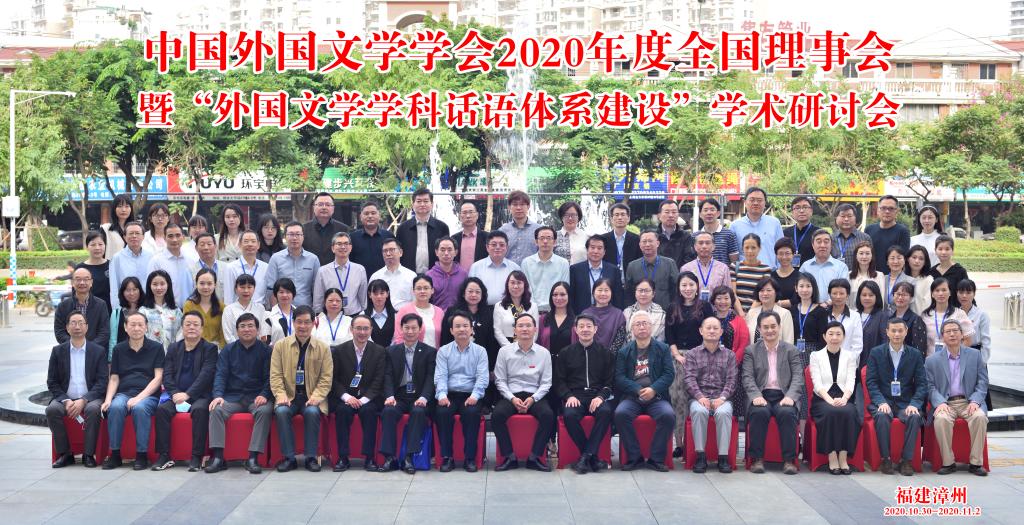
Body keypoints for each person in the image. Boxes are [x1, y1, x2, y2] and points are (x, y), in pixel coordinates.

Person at [204, 313, 274, 474]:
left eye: (250, 326)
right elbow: (220, 375)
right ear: (237, 331)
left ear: (257, 330)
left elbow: (270, 377)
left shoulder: (266, 351)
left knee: (265, 410)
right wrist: (218, 396)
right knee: (216, 409)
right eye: (242, 326)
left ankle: (253, 458)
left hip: (256, 397)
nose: (246, 329)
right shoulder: (228, 350)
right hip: (232, 397)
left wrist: (264, 394)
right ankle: (218, 458)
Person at [269, 305, 333, 472]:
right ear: (293, 322)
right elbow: (275, 375)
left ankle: (311, 457)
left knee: (312, 412)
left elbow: (326, 378)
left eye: (306, 322)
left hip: (311, 396)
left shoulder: (323, 348)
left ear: (313, 324)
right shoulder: (280, 346)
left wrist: (317, 397)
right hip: (288, 396)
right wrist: (280, 395)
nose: (303, 326)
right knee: (281, 412)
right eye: (299, 322)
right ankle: (289, 458)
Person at [151, 311, 217, 471]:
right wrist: (174, 393)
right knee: (161, 410)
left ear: (202, 329)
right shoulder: (174, 348)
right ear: (182, 327)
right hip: (176, 395)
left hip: (199, 396)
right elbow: (167, 374)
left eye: (196, 324)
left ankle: (196, 456)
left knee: (200, 410)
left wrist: (188, 395)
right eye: (188, 324)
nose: (192, 327)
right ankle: (164, 456)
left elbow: (206, 375)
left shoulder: (210, 349)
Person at [925, 319, 989, 476]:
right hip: (946, 403)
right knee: (941, 419)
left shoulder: (975, 355)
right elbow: (929, 386)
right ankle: (948, 463)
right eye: (948, 332)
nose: (952, 334)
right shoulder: (932, 360)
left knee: (979, 417)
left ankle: (975, 463)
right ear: (942, 337)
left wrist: (975, 401)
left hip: (969, 401)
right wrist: (939, 403)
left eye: (955, 331)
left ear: (962, 334)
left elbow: (983, 382)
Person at [101, 312, 164, 470]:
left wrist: (139, 397)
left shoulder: (156, 348)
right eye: (132, 325)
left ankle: (141, 455)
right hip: (124, 393)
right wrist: (108, 399)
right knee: (115, 407)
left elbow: (158, 378)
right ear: (125, 327)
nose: (136, 328)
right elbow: (114, 378)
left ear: (146, 327)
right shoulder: (119, 349)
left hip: (148, 395)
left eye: (140, 325)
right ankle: (115, 455)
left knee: (140, 408)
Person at [743, 311, 803, 475]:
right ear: (759, 329)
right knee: (759, 413)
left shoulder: (791, 350)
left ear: (779, 327)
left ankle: (789, 461)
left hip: (784, 395)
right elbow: (747, 377)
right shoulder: (751, 351)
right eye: (765, 327)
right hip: (761, 394)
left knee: (787, 414)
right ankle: (757, 459)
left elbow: (798, 377)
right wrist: (756, 396)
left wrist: (790, 396)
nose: (770, 330)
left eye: (773, 326)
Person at [614, 311, 676, 472]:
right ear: (632, 329)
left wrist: (653, 389)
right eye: (638, 324)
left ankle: (656, 459)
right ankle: (635, 457)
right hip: (632, 397)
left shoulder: (663, 348)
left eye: (645, 323)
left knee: (668, 415)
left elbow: (669, 374)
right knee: (621, 414)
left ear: (651, 326)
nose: (642, 327)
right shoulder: (624, 352)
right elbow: (619, 378)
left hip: (657, 397)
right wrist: (637, 390)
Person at [493, 313, 555, 472]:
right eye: (520, 326)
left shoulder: (544, 353)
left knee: (548, 415)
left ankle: (534, 457)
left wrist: (533, 398)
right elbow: (500, 380)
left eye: (528, 325)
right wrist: (512, 399)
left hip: (534, 395)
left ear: (535, 329)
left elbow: (546, 382)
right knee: (497, 415)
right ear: (515, 330)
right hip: (511, 395)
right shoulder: (504, 352)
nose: (525, 329)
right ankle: (509, 457)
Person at [46, 311, 108, 468]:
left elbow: (102, 382)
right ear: (67, 328)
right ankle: (65, 454)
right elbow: (52, 382)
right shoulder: (58, 351)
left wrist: (84, 400)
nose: (77, 326)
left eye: (81, 323)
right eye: (73, 323)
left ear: (87, 327)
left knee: (93, 409)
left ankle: (88, 454)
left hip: (90, 398)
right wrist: (66, 400)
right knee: (52, 410)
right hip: (65, 398)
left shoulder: (98, 351)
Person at [865, 317, 926, 476]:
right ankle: (886, 459)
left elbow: (922, 384)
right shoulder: (876, 352)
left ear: (906, 332)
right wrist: (880, 402)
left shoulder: (915, 354)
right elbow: (871, 382)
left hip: (906, 403)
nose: (897, 334)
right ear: (887, 332)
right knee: (882, 416)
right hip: (884, 401)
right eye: (893, 331)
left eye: (900, 331)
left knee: (914, 417)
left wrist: (914, 404)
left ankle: (906, 461)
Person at [556, 313, 615, 474]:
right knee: (569, 414)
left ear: (595, 329)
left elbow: (610, 382)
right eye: (581, 326)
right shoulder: (566, 352)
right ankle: (592, 458)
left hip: (597, 395)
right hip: (575, 395)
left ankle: (584, 458)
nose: (585, 329)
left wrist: (601, 397)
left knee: (605, 412)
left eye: (589, 326)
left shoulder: (606, 353)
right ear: (575, 330)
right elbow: (559, 381)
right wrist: (568, 396)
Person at [380, 313, 436, 474]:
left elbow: (430, 378)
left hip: (419, 396)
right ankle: (389, 458)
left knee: (418, 412)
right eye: (407, 328)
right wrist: (389, 396)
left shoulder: (429, 352)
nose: (410, 331)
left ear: (420, 329)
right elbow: (387, 376)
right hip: (398, 396)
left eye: (413, 328)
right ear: (401, 329)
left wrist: (424, 397)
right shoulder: (391, 351)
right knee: (388, 411)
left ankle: (409, 457)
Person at [434, 311, 490, 472]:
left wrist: (475, 395)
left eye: (465, 326)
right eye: (457, 326)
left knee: (471, 414)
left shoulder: (480, 351)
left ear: (472, 329)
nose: (462, 329)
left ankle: (470, 458)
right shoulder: (443, 351)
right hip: (449, 394)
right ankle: (447, 457)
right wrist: (442, 395)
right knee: (442, 413)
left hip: (471, 394)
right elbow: (441, 376)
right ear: (451, 330)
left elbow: (482, 377)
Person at [330, 314, 387, 472]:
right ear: (351, 329)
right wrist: (347, 397)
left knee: (369, 412)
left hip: (369, 398)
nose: (362, 332)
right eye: (358, 328)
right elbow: (333, 379)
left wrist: (363, 400)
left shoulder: (379, 351)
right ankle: (343, 457)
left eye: (366, 329)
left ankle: (369, 458)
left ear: (371, 330)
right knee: (342, 411)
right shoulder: (339, 350)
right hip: (346, 397)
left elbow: (379, 380)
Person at [685, 316, 738, 474]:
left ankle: (723, 457)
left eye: (715, 328)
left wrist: (722, 398)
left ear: (721, 332)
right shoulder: (692, 354)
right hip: (699, 398)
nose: (712, 331)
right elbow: (689, 379)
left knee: (723, 413)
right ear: (701, 331)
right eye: (708, 328)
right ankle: (700, 456)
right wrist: (700, 397)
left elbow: (732, 380)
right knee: (698, 411)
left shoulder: (729, 355)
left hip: (722, 398)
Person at [439, 278, 498, 405]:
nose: (474, 295)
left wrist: (491, 367)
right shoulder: (452, 311)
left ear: (482, 294)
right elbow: (445, 338)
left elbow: (491, 341)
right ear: (463, 293)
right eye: (470, 291)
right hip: (456, 361)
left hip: (480, 360)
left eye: (477, 292)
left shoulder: (488, 313)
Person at [264, 221, 320, 308]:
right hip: (282, 308)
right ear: (285, 237)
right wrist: (275, 311)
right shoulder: (276, 258)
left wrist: (316, 311)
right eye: (291, 234)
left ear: (303, 237)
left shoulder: (313, 259)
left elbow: (317, 289)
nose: (294, 238)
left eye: (298, 234)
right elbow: (271, 288)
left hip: (305, 309)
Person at [312, 232, 368, 316]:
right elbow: (318, 301)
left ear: (350, 248)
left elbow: (363, 299)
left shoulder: (360, 270)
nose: (343, 247)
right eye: (339, 244)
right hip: (331, 317)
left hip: (354, 316)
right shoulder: (323, 271)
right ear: (333, 248)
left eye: (346, 243)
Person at [54, 267, 110, 350]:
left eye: (86, 279)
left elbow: (104, 332)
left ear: (91, 282)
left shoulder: (101, 305)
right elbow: (59, 332)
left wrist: (89, 347)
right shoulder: (62, 306)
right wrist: (75, 345)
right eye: (78, 279)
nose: (82, 282)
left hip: (94, 353)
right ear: (72, 282)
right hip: (70, 351)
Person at [397, 188, 450, 273]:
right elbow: (398, 253)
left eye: (426, 201)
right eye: (418, 201)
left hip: (435, 275)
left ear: (432, 204)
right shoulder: (403, 228)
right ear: (413, 204)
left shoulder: (442, 228)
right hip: (409, 275)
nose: (422, 204)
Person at [957, 279, 992, 410]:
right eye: (961, 292)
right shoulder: (954, 313)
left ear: (974, 294)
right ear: (956, 293)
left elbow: (986, 341)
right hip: (958, 353)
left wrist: (982, 362)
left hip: (976, 354)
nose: (964, 296)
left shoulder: (981, 315)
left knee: (979, 387)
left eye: (968, 292)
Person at [626, 230, 679, 312]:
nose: (647, 244)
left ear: (657, 243)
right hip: (640, 313)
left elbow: (676, 289)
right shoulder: (632, 266)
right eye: (644, 241)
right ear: (640, 245)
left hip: (665, 312)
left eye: (650, 241)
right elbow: (629, 293)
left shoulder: (669, 264)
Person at [730, 187, 783, 269]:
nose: (755, 203)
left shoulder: (774, 223)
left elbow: (781, 249)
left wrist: (780, 272)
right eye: (752, 200)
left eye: (759, 200)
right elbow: (733, 253)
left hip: (770, 272)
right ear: (745, 202)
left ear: (765, 203)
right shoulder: (735, 226)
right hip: (744, 272)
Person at [569, 235, 624, 313]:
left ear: (604, 252)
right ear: (587, 250)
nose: (595, 251)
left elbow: (618, 297)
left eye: (599, 248)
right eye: (592, 247)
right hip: (582, 314)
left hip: (607, 315)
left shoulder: (614, 270)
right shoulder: (575, 270)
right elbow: (571, 296)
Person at [921, 277, 975, 357]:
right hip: (931, 360)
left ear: (950, 293)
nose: (940, 293)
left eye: (944, 290)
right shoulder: (925, 315)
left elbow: (968, 340)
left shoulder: (959, 314)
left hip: (953, 360)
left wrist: (955, 356)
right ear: (932, 294)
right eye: (937, 290)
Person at [521, 226, 570, 313]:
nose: (545, 241)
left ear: (554, 242)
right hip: (531, 310)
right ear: (536, 242)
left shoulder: (563, 263)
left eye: (549, 238)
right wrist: (533, 309)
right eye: (542, 238)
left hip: (555, 310)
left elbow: (564, 289)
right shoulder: (526, 263)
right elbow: (526, 288)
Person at [147, 223, 198, 304]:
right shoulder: (156, 261)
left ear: (183, 237)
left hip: (189, 308)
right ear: (164, 238)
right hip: (166, 309)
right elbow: (150, 287)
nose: (174, 240)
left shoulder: (190, 260)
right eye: (170, 236)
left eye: (178, 235)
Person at [468, 230, 522, 306]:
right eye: (494, 245)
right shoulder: (476, 267)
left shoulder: (515, 268)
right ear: (487, 247)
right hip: (483, 309)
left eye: (501, 245)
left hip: (508, 309)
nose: (497, 247)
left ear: (507, 247)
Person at [392, 274, 445, 349]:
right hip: (411, 354)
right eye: (419, 288)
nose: (422, 291)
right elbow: (399, 338)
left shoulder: (440, 312)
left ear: (432, 290)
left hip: (436, 354)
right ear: (413, 291)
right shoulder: (404, 311)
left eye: (426, 288)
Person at [108, 222, 153, 309]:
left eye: (137, 233)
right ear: (124, 237)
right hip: (126, 306)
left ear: (143, 236)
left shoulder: (151, 257)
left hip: (147, 305)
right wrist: (116, 309)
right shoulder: (117, 258)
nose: (134, 236)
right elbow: (114, 286)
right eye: (131, 233)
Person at [222, 230, 271, 308]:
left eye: (253, 241)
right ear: (239, 245)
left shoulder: (266, 267)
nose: (250, 244)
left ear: (258, 245)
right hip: (238, 310)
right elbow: (228, 297)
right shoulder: (231, 268)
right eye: (246, 241)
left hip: (260, 310)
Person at [681, 231, 732, 305]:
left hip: (716, 310)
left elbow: (728, 293)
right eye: (700, 243)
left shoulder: (723, 268)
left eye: (707, 243)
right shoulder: (686, 268)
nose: (704, 246)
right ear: (695, 247)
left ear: (714, 246)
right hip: (693, 309)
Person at [802, 229, 850, 303]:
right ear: (813, 245)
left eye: (826, 242)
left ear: (831, 245)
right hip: (810, 308)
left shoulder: (841, 267)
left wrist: (827, 304)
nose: (822, 245)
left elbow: (843, 291)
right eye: (819, 242)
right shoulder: (805, 267)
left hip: (833, 307)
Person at [493, 271, 539, 347]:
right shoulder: (499, 306)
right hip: (506, 347)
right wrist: (510, 349)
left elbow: (535, 331)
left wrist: (526, 347)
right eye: (512, 283)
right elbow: (497, 331)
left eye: (519, 283)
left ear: (525, 285)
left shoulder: (533, 306)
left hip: (527, 346)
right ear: (507, 285)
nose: (515, 286)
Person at [139, 270, 182, 350]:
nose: (159, 288)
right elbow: (141, 335)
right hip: (151, 353)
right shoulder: (143, 311)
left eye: (162, 284)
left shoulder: (176, 311)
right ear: (149, 286)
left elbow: (181, 333)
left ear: (168, 285)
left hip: (173, 354)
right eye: (155, 284)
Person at [222, 274, 271, 345]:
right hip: (235, 348)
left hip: (257, 348)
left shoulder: (260, 308)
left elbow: (262, 332)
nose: (246, 290)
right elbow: (228, 336)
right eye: (242, 287)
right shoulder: (228, 309)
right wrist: (240, 348)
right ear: (236, 289)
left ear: (254, 289)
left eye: (249, 287)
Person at [349, 200, 395, 277]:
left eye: (373, 213)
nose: (370, 216)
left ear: (379, 216)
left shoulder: (388, 236)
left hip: (385, 280)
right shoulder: (352, 238)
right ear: (360, 217)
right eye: (366, 213)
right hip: (359, 279)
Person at [580, 278, 627, 352]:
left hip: (611, 357)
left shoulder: (618, 314)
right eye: (600, 290)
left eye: (606, 290)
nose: (603, 293)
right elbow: (581, 338)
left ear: (611, 293)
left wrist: (607, 356)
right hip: (588, 356)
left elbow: (619, 340)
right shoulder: (585, 314)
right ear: (593, 293)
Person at [182, 268, 226, 348]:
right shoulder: (189, 305)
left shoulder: (222, 307)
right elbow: (186, 330)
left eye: (209, 284)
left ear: (215, 285)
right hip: (194, 348)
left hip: (215, 349)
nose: (205, 287)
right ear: (196, 284)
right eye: (202, 283)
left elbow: (223, 333)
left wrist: (221, 350)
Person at [369, 238, 416, 309]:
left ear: (401, 252)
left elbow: (416, 302)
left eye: (392, 250)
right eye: (385, 251)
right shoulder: (376, 276)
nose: (388, 254)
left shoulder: (411, 276)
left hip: (405, 314)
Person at [303, 192, 350, 265]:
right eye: (320, 204)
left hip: (335, 270)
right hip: (310, 269)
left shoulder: (343, 229)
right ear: (314, 207)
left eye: (328, 205)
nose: (324, 207)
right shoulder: (304, 229)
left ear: (333, 208)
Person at [865, 195, 911, 269]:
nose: (887, 211)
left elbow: (903, 257)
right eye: (883, 208)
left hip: (893, 274)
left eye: (891, 208)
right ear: (878, 210)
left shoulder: (903, 231)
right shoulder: (869, 229)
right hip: (872, 273)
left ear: (897, 211)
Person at [745, 277, 795, 344]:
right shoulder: (751, 313)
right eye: (762, 290)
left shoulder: (785, 314)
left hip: (778, 351)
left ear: (776, 292)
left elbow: (789, 341)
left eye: (769, 290)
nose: (765, 293)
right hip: (754, 350)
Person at [823, 280, 864, 357]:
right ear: (830, 295)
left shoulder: (855, 316)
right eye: (834, 293)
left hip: (847, 360)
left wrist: (848, 360)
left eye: (841, 293)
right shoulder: (823, 314)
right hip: (825, 359)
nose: (838, 297)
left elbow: (857, 344)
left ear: (847, 295)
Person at [732, 233, 772, 311]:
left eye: (753, 248)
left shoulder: (765, 269)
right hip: (736, 313)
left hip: (757, 312)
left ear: (759, 249)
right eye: (746, 247)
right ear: (742, 248)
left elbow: (763, 294)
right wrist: (741, 313)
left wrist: (750, 314)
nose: (750, 251)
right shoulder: (734, 266)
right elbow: (733, 293)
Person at [601, 202, 642, 277]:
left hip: (631, 279)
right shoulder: (603, 239)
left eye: (623, 214)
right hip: (609, 280)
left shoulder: (636, 239)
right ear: (611, 219)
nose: (620, 217)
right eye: (616, 215)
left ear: (628, 218)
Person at [500, 190, 541, 265]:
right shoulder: (502, 231)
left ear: (528, 206)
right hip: (509, 271)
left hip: (532, 270)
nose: (518, 208)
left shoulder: (539, 230)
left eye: (522, 204)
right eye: (515, 204)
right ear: (509, 207)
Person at [427, 237, 468, 311]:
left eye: (449, 250)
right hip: (436, 315)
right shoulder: (429, 275)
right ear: (436, 252)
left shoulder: (463, 274)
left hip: (458, 315)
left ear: (455, 252)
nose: (446, 253)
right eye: (442, 250)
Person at [855, 281, 889, 369]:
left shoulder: (883, 316)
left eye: (871, 295)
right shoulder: (854, 315)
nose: (867, 298)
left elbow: (885, 342)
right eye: (864, 295)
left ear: (877, 297)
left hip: (873, 364)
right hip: (853, 363)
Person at [888, 281, 929, 352]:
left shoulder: (916, 320)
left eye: (904, 295)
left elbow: (919, 348)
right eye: (898, 294)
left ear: (911, 298)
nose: (900, 297)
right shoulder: (889, 318)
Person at [655, 198, 696, 268]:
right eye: (667, 212)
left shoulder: (686, 236)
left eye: (674, 212)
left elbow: (689, 259)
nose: (671, 215)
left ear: (678, 215)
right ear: (659, 215)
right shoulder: (653, 236)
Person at [697, 198, 739, 265]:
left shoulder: (729, 234)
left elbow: (734, 262)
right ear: (700, 214)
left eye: (712, 210)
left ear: (718, 213)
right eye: (705, 210)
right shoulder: (695, 236)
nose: (709, 213)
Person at [76, 231, 111, 313]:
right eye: (93, 245)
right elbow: (75, 293)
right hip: (88, 311)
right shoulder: (80, 268)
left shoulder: (112, 265)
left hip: (109, 310)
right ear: (87, 247)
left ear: (105, 246)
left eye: (100, 244)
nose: (97, 248)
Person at [109, 277, 143, 359]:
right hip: (122, 356)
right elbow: (113, 339)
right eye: (128, 290)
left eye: (134, 289)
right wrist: (111, 359)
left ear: (140, 291)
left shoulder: (146, 311)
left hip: (144, 355)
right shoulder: (116, 313)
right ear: (122, 292)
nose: (131, 293)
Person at [538, 282, 575, 357]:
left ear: (569, 296)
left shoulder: (576, 321)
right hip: (547, 361)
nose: (558, 298)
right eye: (555, 295)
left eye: (562, 294)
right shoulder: (543, 319)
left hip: (569, 362)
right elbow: (537, 342)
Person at [831, 203, 872, 270]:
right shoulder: (830, 239)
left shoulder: (865, 238)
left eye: (849, 216)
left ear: (855, 218)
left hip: (858, 275)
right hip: (836, 275)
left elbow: (871, 261)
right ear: (836, 218)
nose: (846, 219)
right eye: (842, 216)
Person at [451, 201, 487, 273]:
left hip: (480, 277)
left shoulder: (487, 238)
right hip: (459, 278)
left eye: (471, 212)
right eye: (464, 213)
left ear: (477, 215)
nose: (468, 216)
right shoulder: (454, 239)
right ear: (459, 216)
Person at [783, 196, 818, 268]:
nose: (801, 211)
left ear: (811, 211)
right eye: (797, 208)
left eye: (805, 207)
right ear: (792, 212)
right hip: (789, 271)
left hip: (811, 272)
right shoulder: (785, 233)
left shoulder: (818, 233)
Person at [847, 241, 884, 309]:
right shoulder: (848, 275)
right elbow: (846, 300)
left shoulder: (879, 275)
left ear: (872, 256)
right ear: (856, 256)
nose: (864, 256)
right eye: (861, 253)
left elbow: (881, 300)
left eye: (867, 253)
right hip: (853, 313)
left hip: (873, 313)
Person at [190, 232, 226, 301]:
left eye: (209, 244)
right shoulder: (190, 270)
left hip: (224, 307)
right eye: (202, 245)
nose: (206, 248)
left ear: (215, 246)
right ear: (196, 248)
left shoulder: (226, 268)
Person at [364, 279, 397, 348]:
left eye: (382, 293)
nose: (379, 296)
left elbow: (396, 338)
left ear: (387, 294)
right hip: (370, 351)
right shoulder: (363, 315)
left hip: (392, 352)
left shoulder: (396, 315)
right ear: (369, 295)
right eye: (375, 294)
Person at [554, 201, 588, 265]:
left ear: (578, 217)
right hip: (559, 271)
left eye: (573, 215)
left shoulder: (587, 237)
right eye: (566, 215)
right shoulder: (553, 236)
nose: (570, 218)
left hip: (580, 271)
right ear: (561, 217)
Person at [101, 193, 134, 259]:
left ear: (131, 209)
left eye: (127, 206)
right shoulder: (105, 229)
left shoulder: (136, 229)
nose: (123, 210)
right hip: (111, 264)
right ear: (114, 209)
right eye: (120, 206)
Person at [267, 278, 299, 347]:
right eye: (281, 292)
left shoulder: (299, 314)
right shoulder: (268, 314)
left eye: (288, 292)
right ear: (276, 294)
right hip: (275, 352)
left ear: (293, 294)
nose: (284, 295)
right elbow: (266, 340)